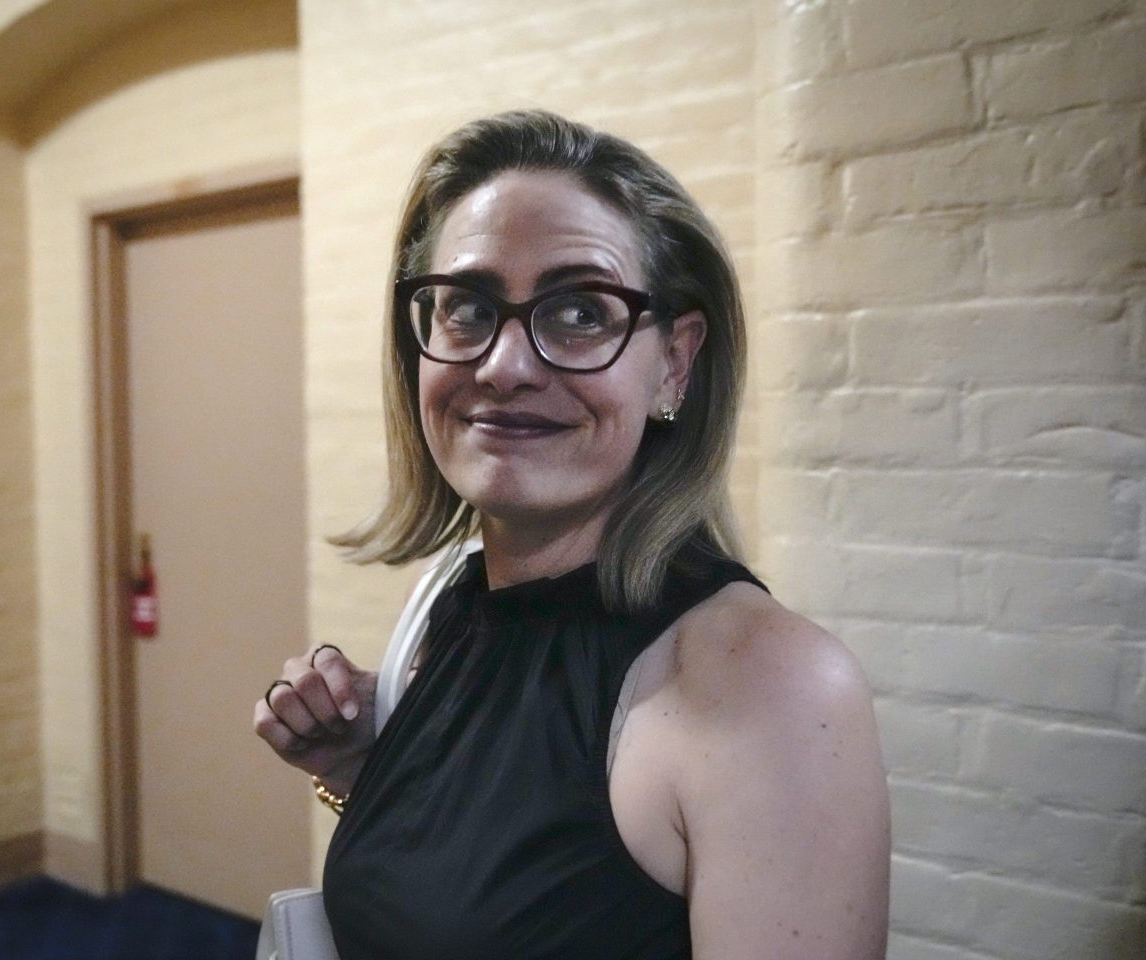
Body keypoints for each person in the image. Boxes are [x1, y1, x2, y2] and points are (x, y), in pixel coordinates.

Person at [253, 110, 890, 959]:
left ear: (674, 361)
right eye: (466, 308)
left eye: (582, 312)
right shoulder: (455, 602)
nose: (504, 365)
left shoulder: (770, 688)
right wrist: (355, 769)